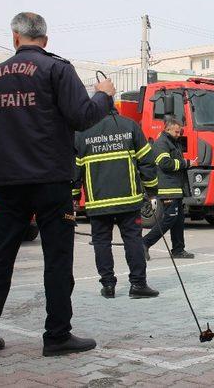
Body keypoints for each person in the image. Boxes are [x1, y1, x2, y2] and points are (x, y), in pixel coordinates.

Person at [0, 12, 115, 359]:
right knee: (57, 258)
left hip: (7, 183)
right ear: (45, 40)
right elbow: (83, 117)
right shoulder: (56, 69)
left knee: (0, 258)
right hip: (50, 180)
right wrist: (104, 96)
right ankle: (57, 335)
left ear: (14, 37)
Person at [73, 107, 159, 299]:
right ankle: (138, 285)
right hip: (128, 201)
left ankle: (108, 286)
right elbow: (147, 161)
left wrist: (73, 197)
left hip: (97, 202)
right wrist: (152, 189)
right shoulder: (130, 126)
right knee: (133, 241)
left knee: (101, 243)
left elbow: (75, 169)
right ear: (114, 107)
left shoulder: (82, 132)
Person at [143, 117, 196, 260]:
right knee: (169, 219)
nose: (179, 134)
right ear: (167, 129)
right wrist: (186, 163)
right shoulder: (161, 143)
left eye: (180, 132)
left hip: (175, 188)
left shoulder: (172, 142)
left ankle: (178, 250)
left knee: (178, 220)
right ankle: (144, 243)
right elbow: (165, 163)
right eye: (177, 132)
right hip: (167, 189)